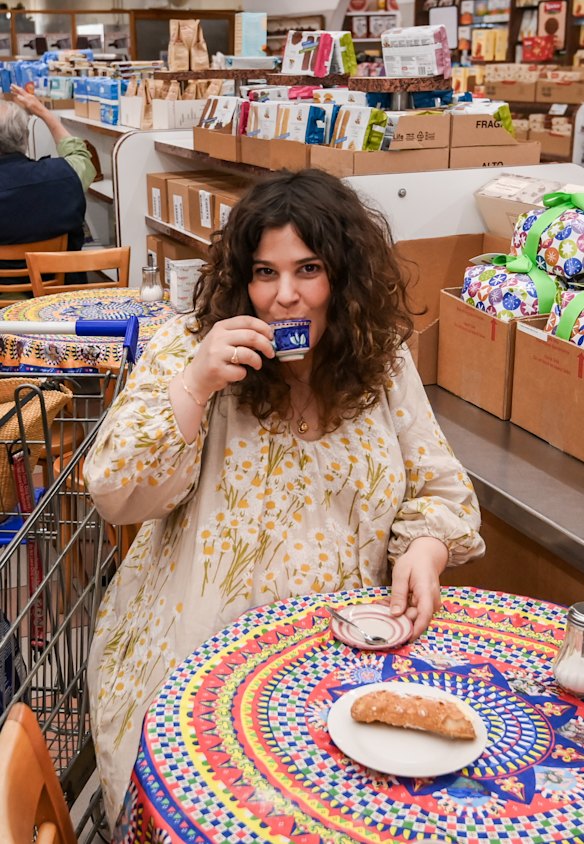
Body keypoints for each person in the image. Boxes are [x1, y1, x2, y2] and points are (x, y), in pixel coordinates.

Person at [84, 168, 485, 826]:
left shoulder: (382, 361)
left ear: (345, 278)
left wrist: (427, 547)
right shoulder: (187, 349)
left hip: (348, 660)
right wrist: (194, 386)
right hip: (199, 669)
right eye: (265, 273)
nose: (285, 297)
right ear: (242, 278)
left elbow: (436, 481)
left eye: (309, 269)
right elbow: (117, 494)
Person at [0, 85, 96, 285]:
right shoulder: (66, 175)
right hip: (61, 297)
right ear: (25, 137)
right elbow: (81, 156)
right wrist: (43, 113)